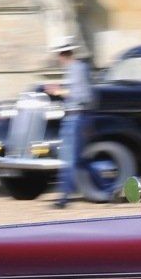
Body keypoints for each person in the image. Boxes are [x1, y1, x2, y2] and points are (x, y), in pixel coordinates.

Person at [47, 40, 94, 208]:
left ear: (63, 54)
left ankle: (64, 197)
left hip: (76, 117)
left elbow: (80, 95)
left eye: (59, 54)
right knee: (78, 160)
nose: (59, 58)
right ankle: (108, 189)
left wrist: (58, 91)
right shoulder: (74, 69)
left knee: (69, 159)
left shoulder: (77, 69)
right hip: (73, 117)